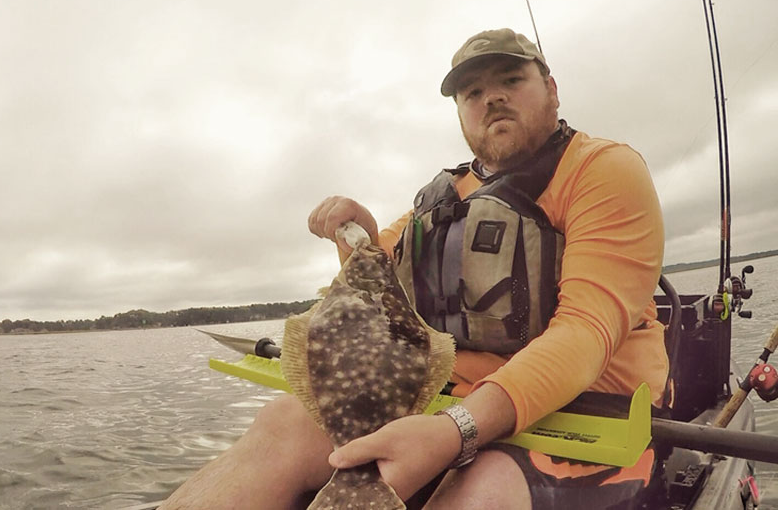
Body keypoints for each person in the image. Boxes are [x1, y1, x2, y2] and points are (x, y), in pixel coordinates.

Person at [162, 28, 667, 509]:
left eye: (512, 81)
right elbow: (377, 282)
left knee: (482, 486)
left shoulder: (601, 169)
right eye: (472, 92)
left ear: (551, 89)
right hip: (440, 405)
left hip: (587, 416)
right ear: (460, 114)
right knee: (281, 424)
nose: (491, 98)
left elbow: (586, 331)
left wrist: (458, 431)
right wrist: (356, 235)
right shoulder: (443, 196)